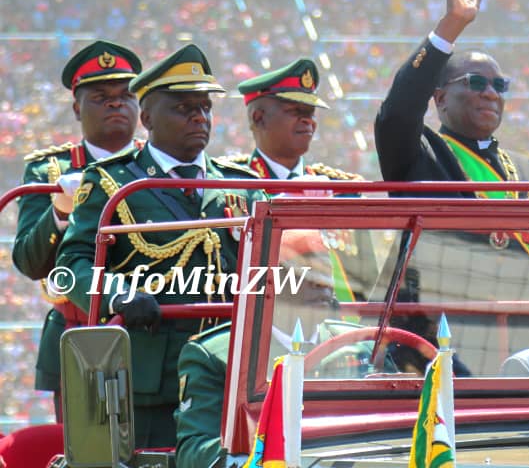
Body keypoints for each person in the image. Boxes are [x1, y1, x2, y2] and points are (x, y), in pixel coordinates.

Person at [56, 43, 264, 448]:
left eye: (205, 108)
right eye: (183, 108)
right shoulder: (112, 183)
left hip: (226, 369)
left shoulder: (241, 185)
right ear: (147, 117)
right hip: (149, 377)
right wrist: (118, 295)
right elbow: (71, 265)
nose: (199, 117)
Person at [12, 39, 141, 420]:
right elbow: (29, 261)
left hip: (148, 327)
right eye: (101, 97)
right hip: (77, 331)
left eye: (126, 95)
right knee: (86, 444)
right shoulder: (48, 171)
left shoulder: (158, 167)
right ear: (76, 108)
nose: (116, 104)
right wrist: (59, 211)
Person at [174, 245, 392, 468]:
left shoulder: (364, 346)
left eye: (325, 272)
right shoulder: (219, 355)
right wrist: (262, 446)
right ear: (271, 283)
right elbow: (194, 451)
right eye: (305, 271)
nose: (321, 282)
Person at [374, 0, 529, 195]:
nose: (491, 94)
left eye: (499, 85)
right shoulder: (419, 155)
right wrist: (451, 26)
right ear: (441, 98)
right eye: (476, 82)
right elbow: (398, 112)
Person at [232, 58, 377, 301]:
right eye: (295, 112)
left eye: (310, 114)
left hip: (337, 322)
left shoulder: (342, 190)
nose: (308, 121)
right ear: (258, 118)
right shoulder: (231, 188)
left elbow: (367, 285)